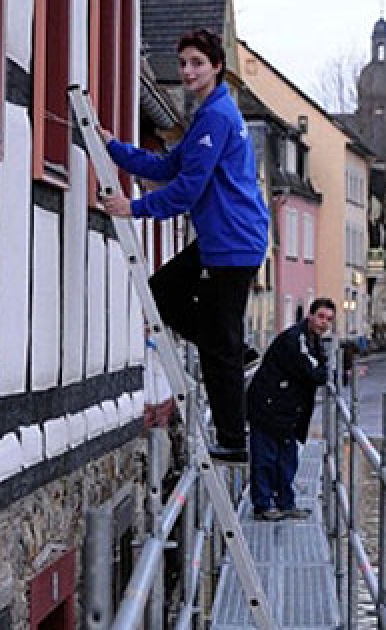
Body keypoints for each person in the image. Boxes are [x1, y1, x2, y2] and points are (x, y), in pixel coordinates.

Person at [99, 28, 269, 462]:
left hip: (233, 242)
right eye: (183, 63)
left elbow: (188, 189)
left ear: (216, 67)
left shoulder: (217, 117)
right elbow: (168, 164)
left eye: (197, 63)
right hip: (222, 238)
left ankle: (234, 440)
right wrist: (112, 148)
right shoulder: (208, 114)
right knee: (164, 294)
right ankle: (234, 348)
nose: (188, 71)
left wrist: (131, 209)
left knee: (215, 342)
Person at [246, 298, 335, 521]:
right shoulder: (297, 339)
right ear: (310, 315)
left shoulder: (311, 340)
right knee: (266, 458)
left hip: (285, 408)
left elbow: (317, 368)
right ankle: (263, 506)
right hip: (269, 406)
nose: (324, 323)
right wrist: (326, 372)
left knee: (287, 457)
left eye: (329, 319)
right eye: (321, 316)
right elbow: (316, 373)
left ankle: (285, 503)